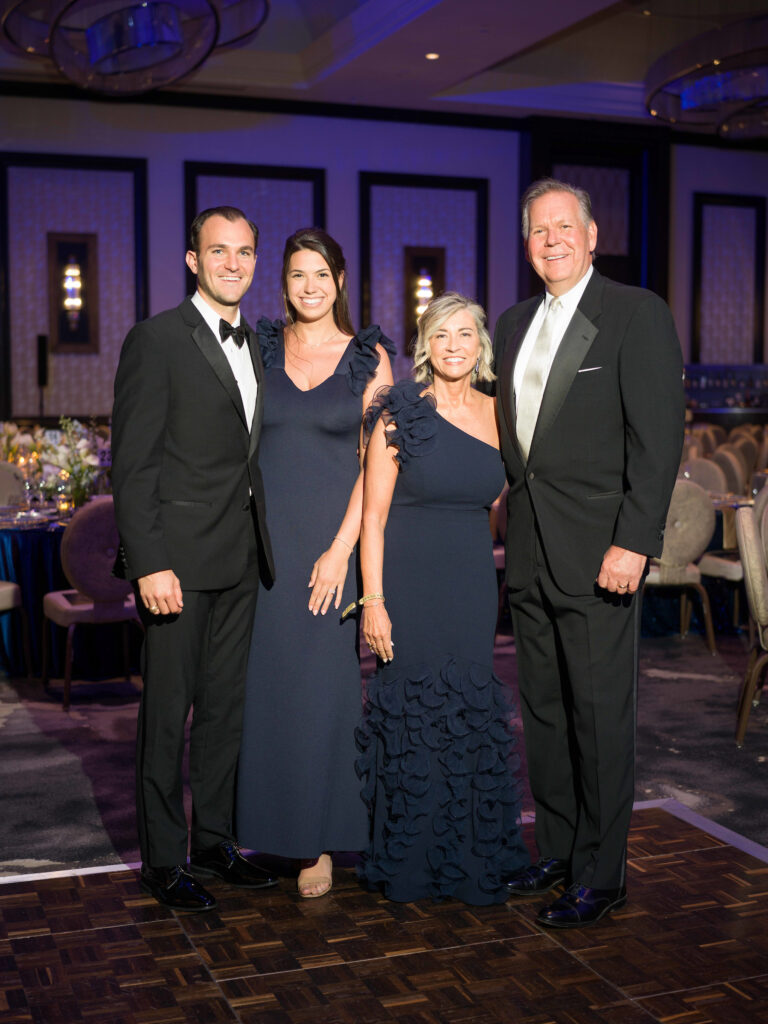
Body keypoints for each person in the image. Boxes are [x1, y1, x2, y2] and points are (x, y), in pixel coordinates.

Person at [494, 178, 685, 928]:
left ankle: (602, 876)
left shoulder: (636, 313)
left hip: (602, 555)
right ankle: (560, 851)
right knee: (543, 713)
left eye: (564, 227)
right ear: (527, 245)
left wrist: (633, 542)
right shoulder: (512, 324)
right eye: (539, 231)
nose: (553, 240)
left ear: (592, 234)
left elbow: (657, 441)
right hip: (530, 554)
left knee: (601, 719)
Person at [111, 206, 277, 912]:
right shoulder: (155, 340)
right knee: (166, 716)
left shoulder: (261, 344)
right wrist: (149, 563)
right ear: (192, 260)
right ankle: (161, 859)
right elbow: (133, 465)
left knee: (223, 712)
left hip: (242, 558)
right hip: (175, 565)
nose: (232, 263)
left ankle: (214, 842)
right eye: (218, 251)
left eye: (244, 252)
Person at [235, 228, 393, 898]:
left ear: (340, 281)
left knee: (326, 694)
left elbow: (376, 468)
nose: (310, 287)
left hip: (333, 547)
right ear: (284, 283)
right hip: (264, 551)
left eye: (321, 274)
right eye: (298, 275)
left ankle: (322, 842)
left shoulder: (368, 358)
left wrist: (340, 551)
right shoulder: (260, 348)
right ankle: (273, 829)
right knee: (266, 691)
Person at [357, 292, 528, 905]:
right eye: (441, 335)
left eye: (465, 334)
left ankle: (470, 856)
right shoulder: (398, 411)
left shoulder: (501, 412)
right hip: (408, 582)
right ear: (424, 346)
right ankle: (412, 860)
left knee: (467, 712)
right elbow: (372, 518)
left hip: (471, 583)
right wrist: (373, 601)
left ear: (481, 345)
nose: (454, 346)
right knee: (413, 717)